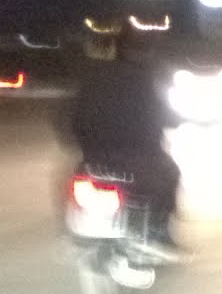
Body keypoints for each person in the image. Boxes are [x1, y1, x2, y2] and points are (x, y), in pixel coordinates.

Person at [67, 29, 185, 257]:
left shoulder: (93, 78)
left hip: (94, 158)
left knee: (71, 177)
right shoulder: (145, 80)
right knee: (170, 173)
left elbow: (72, 117)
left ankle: (72, 230)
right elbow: (164, 114)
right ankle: (158, 233)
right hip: (137, 159)